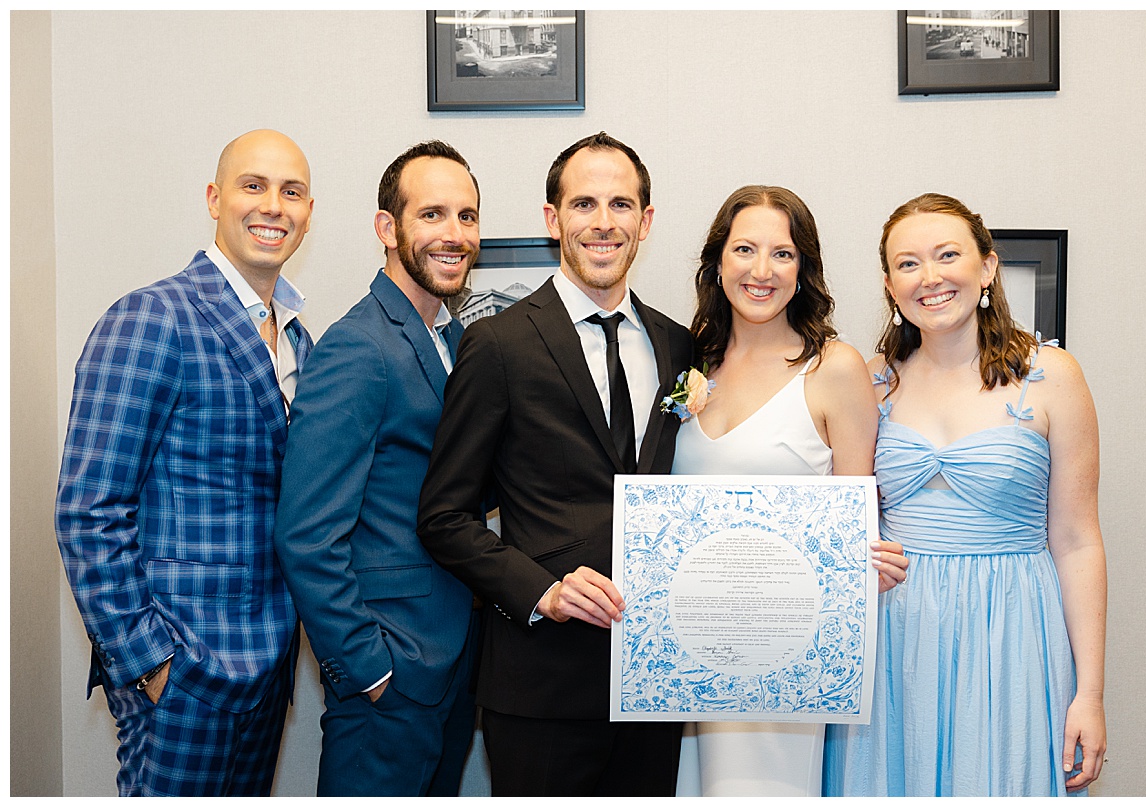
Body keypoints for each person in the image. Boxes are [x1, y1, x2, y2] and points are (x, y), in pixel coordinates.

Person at [416, 132, 692, 796]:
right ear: (552, 219)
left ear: (646, 222)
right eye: (584, 203)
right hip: (541, 686)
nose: (604, 222)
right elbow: (444, 516)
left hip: (655, 683)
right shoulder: (499, 344)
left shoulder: (680, 345)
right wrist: (542, 590)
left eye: (621, 204)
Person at [55, 129, 315, 796]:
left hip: (267, 665)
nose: (273, 206)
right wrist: (150, 662)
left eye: (292, 191)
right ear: (214, 198)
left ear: (309, 211)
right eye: (253, 185)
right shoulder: (151, 316)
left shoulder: (299, 339)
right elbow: (88, 508)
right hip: (182, 670)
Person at [823, 193, 1108, 796]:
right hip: (894, 633)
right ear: (889, 285)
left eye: (947, 255)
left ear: (987, 267)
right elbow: (838, 520)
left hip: (1012, 628)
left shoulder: (1054, 375)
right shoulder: (868, 382)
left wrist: (1090, 693)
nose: (929, 277)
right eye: (908, 263)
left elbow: (1079, 541)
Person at [669, 186, 909, 797]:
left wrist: (865, 558)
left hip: (780, 662)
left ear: (803, 269)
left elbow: (859, 515)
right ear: (717, 261)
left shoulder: (834, 367)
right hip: (681, 655)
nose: (761, 270)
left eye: (782, 253)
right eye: (744, 249)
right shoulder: (692, 359)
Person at [273, 141, 481, 796]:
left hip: (448, 666)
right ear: (387, 228)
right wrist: (365, 666)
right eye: (433, 214)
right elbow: (306, 532)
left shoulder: (448, 341)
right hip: (389, 675)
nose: (454, 234)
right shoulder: (358, 347)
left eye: (468, 216)